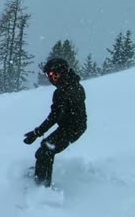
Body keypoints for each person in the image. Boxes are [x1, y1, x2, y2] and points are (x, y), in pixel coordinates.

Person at [23, 57, 87, 187]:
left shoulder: (69, 89)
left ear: (63, 71)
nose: (52, 78)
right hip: (69, 126)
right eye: (49, 75)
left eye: (54, 74)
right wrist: (37, 133)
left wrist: (37, 132)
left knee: (46, 151)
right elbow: (56, 115)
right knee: (44, 149)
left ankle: (42, 186)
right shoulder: (67, 88)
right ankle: (39, 173)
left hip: (74, 127)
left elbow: (55, 116)